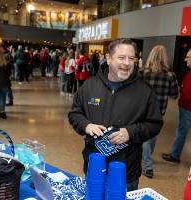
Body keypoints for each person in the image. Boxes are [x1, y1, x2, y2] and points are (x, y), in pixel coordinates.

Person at [68, 38, 163, 191]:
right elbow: (74, 113)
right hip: (93, 168)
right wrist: (86, 125)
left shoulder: (145, 91)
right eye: (121, 57)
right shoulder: (90, 86)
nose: (127, 63)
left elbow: (155, 124)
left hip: (125, 175)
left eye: (131, 58)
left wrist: (130, 132)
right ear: (108, 58)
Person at [140, 45, 179, 178]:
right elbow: (174, 94)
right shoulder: (170, 75)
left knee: (146, 135)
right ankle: (148, 165)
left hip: (142, 109)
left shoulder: (142, 73)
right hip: (159, 111)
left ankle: (146, 159)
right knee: (151, 135)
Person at [162, 49, 191, 163]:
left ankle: (175, 155)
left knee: (181, 131)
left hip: (187, 108)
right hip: (186, 107)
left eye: (188, 57)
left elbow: (187, 95)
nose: (185, 59)